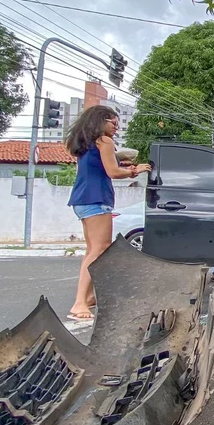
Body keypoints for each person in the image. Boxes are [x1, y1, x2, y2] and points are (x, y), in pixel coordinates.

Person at [64, 105, 151, 320]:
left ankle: (89, 297)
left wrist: (125, 167)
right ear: (101, 121)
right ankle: (79, 303)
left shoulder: (86, 143)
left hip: (83, 199)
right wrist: (135, 170)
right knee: (99, 249)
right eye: (113, 122)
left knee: (93, 249)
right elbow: (112, 171)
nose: (116, 128)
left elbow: (105, 167)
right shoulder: (104, 141)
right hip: (96, 198)